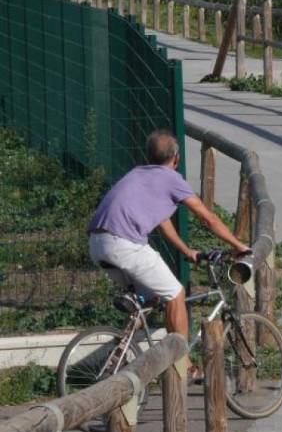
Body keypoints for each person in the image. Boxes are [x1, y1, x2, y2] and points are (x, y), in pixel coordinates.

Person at [87, 129, 251, 340]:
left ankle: (123, 346)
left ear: (149, 156)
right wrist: (238, 246)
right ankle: (182, 358)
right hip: (125, 245)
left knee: (152, 298)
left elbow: (163, 222)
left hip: (97, 244)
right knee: (175, 294)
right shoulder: (171, 179)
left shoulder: (137, 174)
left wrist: (187, 251)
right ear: (176, 158)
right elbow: (207, 218)